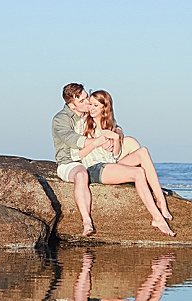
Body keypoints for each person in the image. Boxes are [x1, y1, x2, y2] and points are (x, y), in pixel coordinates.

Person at [73, 90, 175, 237]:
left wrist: (115, 137)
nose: (92, 108)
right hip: (95, 168)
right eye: (91, 105)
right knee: (138, 173)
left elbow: (115, 154)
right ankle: (157, 218)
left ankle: (160, 200)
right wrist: (97, 143)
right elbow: (78, 154)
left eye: (96, 105)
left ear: (105, 107)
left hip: (111, 163)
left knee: (143, 152)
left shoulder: (111, 123)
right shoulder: (82, 124)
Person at [51, 83, 118, 236]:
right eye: (82, 101)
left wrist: (116, 134)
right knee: (81, 175)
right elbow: (73, 140)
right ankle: (87, 222)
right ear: (71, 105)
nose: (87, 102)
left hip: (93, 159)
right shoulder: (60, 119)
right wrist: (98, 141)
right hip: (70, 162)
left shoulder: (90, 111)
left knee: (135, 155)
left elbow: (111, 123)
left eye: (86, 97)